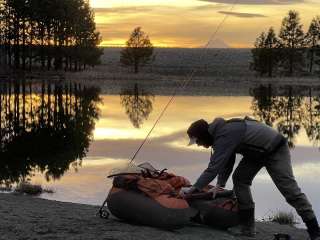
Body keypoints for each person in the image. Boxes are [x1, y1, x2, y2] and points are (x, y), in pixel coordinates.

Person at [181, 117, 320, 239]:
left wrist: (193, 189)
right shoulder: (219, 135)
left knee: (290, 191)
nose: (198, 144)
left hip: (275, 148)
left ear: (205, 135)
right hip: (256, 153)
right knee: (240, 179)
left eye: (197, 141)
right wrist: (220, 183)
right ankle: (248, 228)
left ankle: (314, 230)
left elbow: (213, 168)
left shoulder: (224, 134)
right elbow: (226, 161)